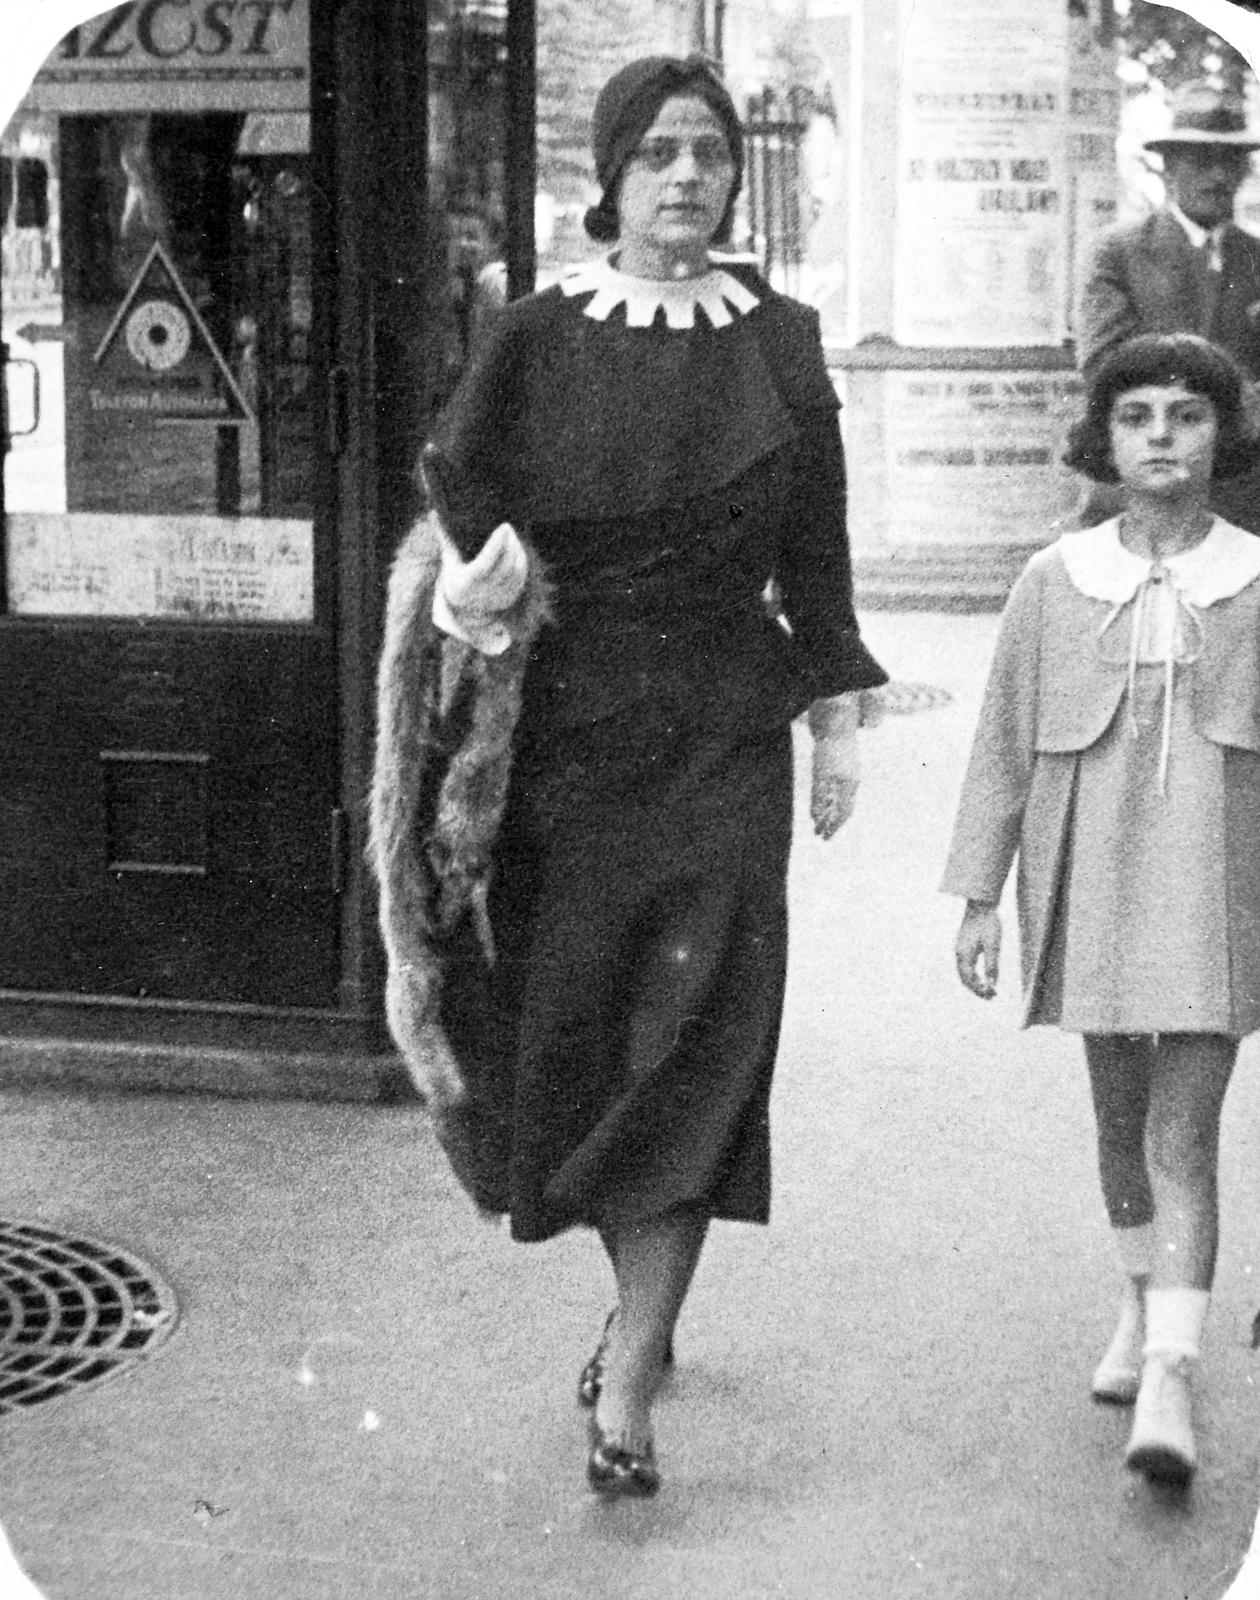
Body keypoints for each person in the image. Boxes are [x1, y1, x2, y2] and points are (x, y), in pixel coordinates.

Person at [369, 54, 887, 1500]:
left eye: (708, 153)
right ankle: (634, 1308)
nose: (685, 176)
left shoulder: (781, 339)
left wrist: (838, 714)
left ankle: (637, 1371)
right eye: (656, 153)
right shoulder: (536, 333)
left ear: (735, 177)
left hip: (725, 733)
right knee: (589, 1034)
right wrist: (486, 574)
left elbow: (819, 552)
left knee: (704, 1033)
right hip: (569, 742)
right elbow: (459, 481)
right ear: (610, 177)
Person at [944, 333, 1260, 1488]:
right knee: (1120, 1131)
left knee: (1182, 1132)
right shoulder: (1053, 580)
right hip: (1092, 882)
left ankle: (1172, 1370)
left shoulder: (1258, 578)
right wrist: (979, 893)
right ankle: (1142, 1302)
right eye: (1139, 418)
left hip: (1220, 885)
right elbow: (1000, 747)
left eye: (1188, 414)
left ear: (1222, 434)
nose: (1164, 437)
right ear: (1106, 439)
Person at [1076, 82, 1260, 530]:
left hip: (1243, 493)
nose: (1217, 177)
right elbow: (1106, 366)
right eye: (1200, 161)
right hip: (1139, 487)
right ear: (1168, 166)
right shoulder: (1116, 251)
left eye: (1230, 162)